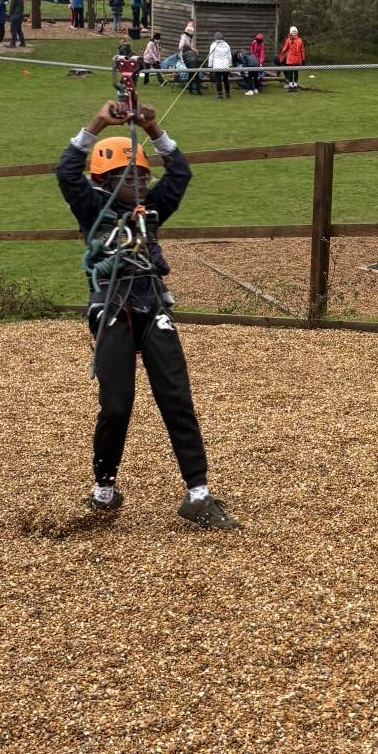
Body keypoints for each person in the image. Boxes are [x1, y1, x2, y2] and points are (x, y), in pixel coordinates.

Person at [55, 98, 239, 529]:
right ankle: (104, 490)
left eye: (143, 175)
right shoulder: (92, 208)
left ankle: (198, 494)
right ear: (106, 181)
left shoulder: (151, 210)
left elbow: (181, 174)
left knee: (176, 397)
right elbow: (66, 172)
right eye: (131, 176)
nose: (141, 182)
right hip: (112, 306)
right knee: (116, 404)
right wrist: (97, 122)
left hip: (152, 303)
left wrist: (154, 130)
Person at [278, 23, 306, 90]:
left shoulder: (300, 40)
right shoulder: (288, 40)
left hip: (297, 59)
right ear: (291, 32)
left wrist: (303, 59)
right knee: (290, 73)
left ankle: (295, 86)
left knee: (296, 72)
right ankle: (290, 86)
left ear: (297, 32)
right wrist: (281, 58)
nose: (294, 32)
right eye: (293, 31)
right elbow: (284, 49)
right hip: (290, 59)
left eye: (295, 31)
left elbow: (302, 50)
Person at [207, 32, 233, 99]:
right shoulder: (227, 45)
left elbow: (211, 56)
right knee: (226, 80)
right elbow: (229, 56)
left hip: (217, 65)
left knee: (218, 80)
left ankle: (220, 95)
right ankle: (228, 94)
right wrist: (230, 65)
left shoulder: (213, 45)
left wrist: (210, 66)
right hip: (226, 65)